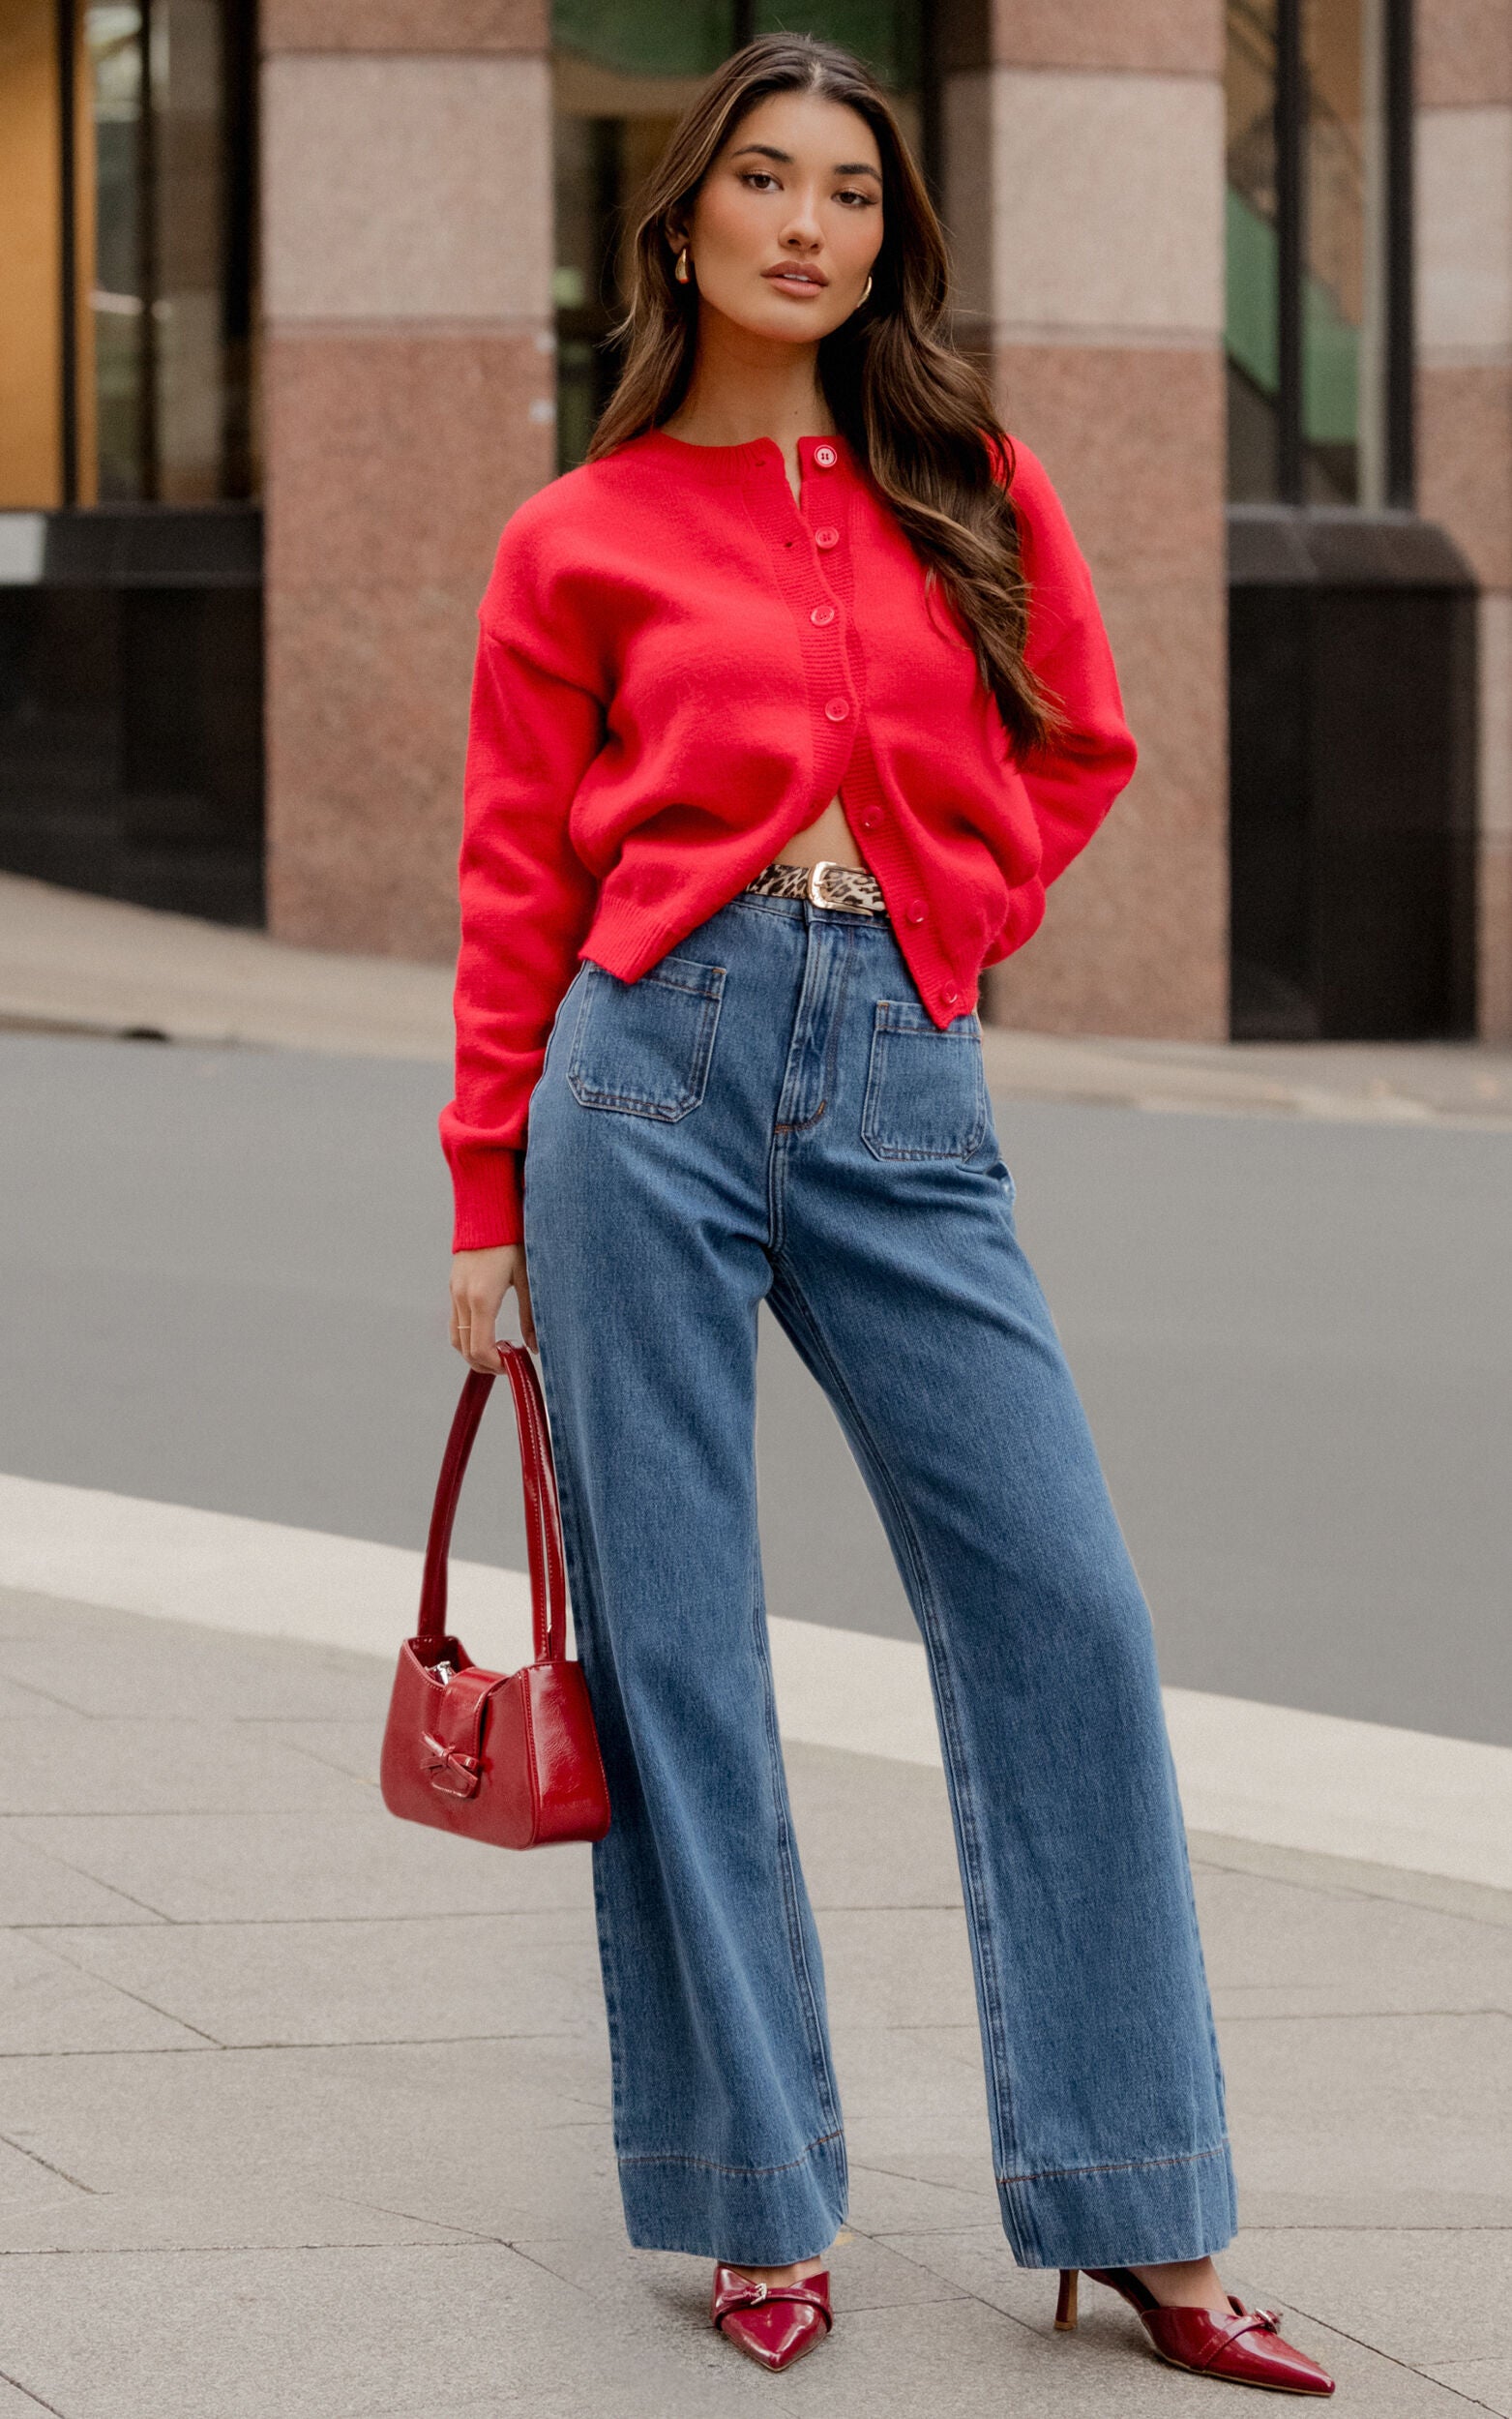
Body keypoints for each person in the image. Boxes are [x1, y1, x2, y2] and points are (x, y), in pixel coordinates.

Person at [442, 33, 1333, 2398]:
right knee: (678, 1643)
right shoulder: (581, 531)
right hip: (640, 1075)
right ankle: (750, 2193)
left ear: (884, 237)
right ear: (686, 220)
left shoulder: (970, 481)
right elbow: (516, 876)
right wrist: (475, 1191)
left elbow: (1081, 739)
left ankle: (1139, 2204)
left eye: (850, 188)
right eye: (763, 177)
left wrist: (950, 915)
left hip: (902, 1074)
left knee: (1062, 1598)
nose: (808, 222)